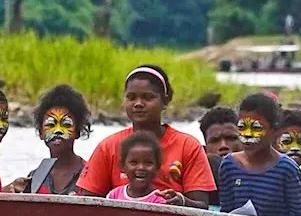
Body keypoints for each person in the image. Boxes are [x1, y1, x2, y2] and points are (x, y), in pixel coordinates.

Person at [76, 64, 215, 208]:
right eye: (131, 97)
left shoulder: (188, 145)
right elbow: (88, 204)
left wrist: (181, 201)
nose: (138, 104)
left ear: (165, 100)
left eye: (148, 98)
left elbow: (202, 207)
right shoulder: (108, 146)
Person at [12, 84, 91, 195]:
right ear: (40, 132)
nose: (58, 130)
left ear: (78, 131)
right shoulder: (35, 179)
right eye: (50, 124)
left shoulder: (90, 174)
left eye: (66, 124)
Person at [105, 130, 187, 205]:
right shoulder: (114, 195)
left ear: (157, 168)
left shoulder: (160, 201)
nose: (141, 167)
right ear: (123, 166)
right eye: (134, 162)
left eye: (148, 163)